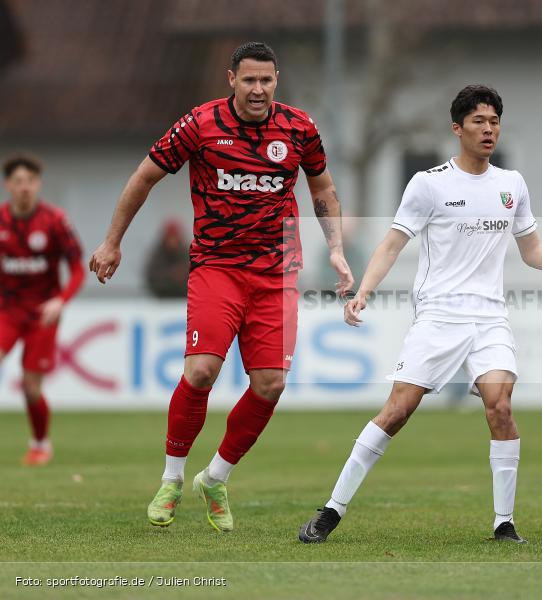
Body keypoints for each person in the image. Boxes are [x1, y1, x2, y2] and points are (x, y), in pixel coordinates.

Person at [89, 42, 353, 532]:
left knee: (270, 384)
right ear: (230, 78)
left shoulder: (299, 128)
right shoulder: (199, 125)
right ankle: (171, 479)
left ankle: (215, 477)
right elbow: (145, 177)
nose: (258, 89)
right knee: (202, 372)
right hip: (217, 267)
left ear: (277, 81)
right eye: (249, 79)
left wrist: (335, 248)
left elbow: (323, 189)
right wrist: (111, 242)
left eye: (267, 80)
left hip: (278, 273)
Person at [296, 85, 542, 545]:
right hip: (439, 315)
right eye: (479, 122)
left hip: (489, 317)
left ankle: (504, 523)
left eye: (495, 121)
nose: (489, 130)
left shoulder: (512, 184)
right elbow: (392, 243)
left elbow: (530, 250)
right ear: (457, 128)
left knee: (500, 406)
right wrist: (363, 291)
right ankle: (331, 510)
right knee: (398, 410)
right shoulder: (429, 184)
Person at [0, 153, 84, 465]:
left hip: (42, 314)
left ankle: (40, 444)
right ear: (8, 185)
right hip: (7, 310)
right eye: (18, 181)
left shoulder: (54, 221)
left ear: (38, 184)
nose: (25, 187)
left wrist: (60, 300)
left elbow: (77, 268)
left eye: (30, 181)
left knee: (31, 387)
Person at [144, 218, 189, 298]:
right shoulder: (157, 254)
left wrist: (182, 275)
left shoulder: (187, 252)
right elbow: (151, 276)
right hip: (162, 297)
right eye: (170, 237)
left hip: (183, 297)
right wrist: (171, 276)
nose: (172, 241)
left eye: (174, 237)